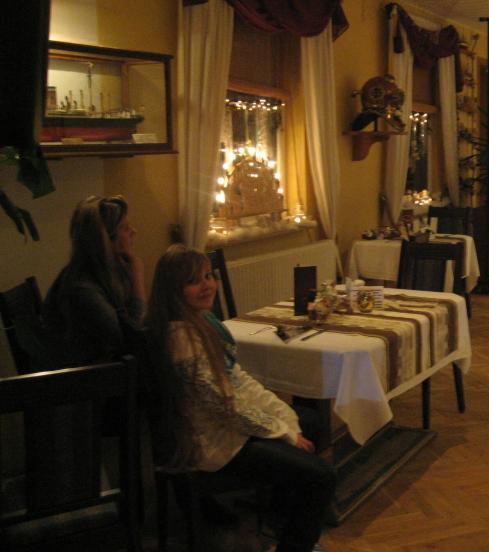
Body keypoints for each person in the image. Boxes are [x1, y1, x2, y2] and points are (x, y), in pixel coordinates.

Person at [146, 244, 335, 552]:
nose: (207, 285)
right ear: (173, 289)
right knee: (322, 476)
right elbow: (225, 409)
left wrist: (281, 415)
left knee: (309, 421)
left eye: (208, 276)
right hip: (212, 443)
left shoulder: (199, 322)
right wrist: (283, 431)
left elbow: (236, 381)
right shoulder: (182, 338)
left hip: (222, 425)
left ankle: (278, 516)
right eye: (193, 281)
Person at [43, 194, 146, 368]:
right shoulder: (82, 290)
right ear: (105, 239)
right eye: (125, 228)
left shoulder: (102, 273)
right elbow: (129, 340)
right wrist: (137, 277)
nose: (133, 231)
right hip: (93, 378)